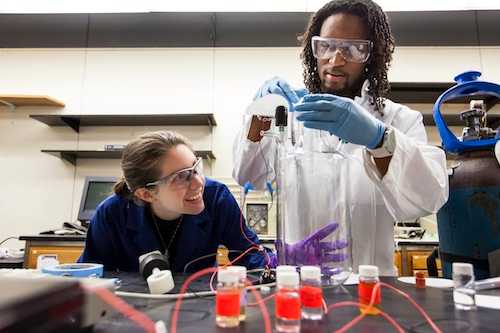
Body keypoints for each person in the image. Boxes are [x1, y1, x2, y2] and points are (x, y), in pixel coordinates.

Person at [233, 0, 449, 275]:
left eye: (351, 49)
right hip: (302, 283)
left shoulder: (398, 120)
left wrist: (379, 139)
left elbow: (428, 198)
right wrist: (260, 114)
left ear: (371, 55)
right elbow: (249, 177)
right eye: (326, 46)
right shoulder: (291, 117)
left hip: (372, 287)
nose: (335, 60)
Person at [79, 130, 269, 273]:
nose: (198, 182)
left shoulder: (216, 197)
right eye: (181, 177)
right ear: (146, 194)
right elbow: (92, 274)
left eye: (196, 167)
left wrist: (278, 269)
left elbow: (249, 253)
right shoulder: (112, 214)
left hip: (198, 304)